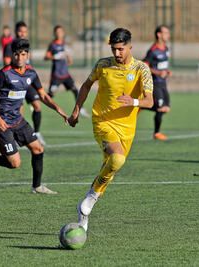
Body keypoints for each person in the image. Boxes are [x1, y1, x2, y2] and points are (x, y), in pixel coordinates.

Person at [68, 28, 154, 231]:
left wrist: (133, 101)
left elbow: (150, 101)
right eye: (114, 49)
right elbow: (86, 85)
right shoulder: (103, 65)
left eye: (121, 49)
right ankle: (91, 197)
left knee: (111, 166)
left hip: (127, 129)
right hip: (103, 122)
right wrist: (76, 110)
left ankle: (84, 215)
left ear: (130, 47)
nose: (117, 53)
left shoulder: (141, 69)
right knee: (117, 159)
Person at [0, 38, 68, 194]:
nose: (20, 58)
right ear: (12, 55)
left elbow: (43, 95)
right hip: (1, 122)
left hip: (18, 120)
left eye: (23, 54)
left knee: (38, 149)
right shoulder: (4, 74)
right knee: (14, 163)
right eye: (16, 54)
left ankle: (37, 186)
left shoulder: (31, 73)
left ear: (27, 55)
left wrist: (58, 109)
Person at [3, 21, 46, 145]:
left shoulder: (27, 46)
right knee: (18, 111)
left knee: (37, 106)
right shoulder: (10, 46)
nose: (22, 34)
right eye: (20, 31)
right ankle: (16, 137)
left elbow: (28, 65)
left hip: (27, 82)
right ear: (16, 31)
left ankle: (36, 133)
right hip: (15, 82)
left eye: (24, 31)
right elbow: (7, 64)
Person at [44, 25, 90, 118]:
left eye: (60, 32)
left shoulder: (63, 43)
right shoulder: (52, 44)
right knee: (51, 94)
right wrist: (55, 56)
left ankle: (81, 110)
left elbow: (65, 53)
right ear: (54, 34)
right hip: (56, 75)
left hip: (65, 75)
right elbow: (46, 57)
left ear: (63, 33)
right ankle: (37, 102)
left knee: (75, 90)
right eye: (57, 32)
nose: (59, 34)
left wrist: (69, 57)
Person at [143, 25, 172, 140]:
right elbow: (144, 65)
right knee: (161, 108)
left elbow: (163, 65)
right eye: (166, 33)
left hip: (163, 84)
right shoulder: (152, 51)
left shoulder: (165, 48)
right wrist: (158, 73)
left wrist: (166, 71)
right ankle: (157, 133)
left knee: (166, 108)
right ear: (159, 35)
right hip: (155, 84)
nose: (168, 35)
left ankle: (139, 105)